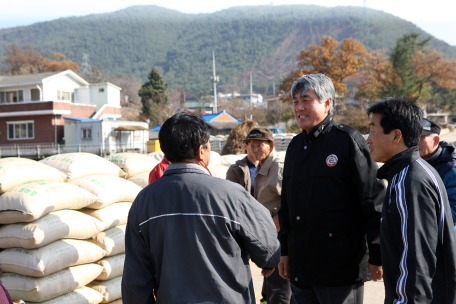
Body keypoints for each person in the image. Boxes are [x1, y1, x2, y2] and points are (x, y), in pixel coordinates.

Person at [122, 112, 281, 304]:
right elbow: (269, 249)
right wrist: (270, 261)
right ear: (201, 151)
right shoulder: (231, 194)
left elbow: (135, 281)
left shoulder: (143, 202)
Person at [278, 74, 385, 304]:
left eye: (306, 100)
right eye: (295, 101)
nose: (299, 107)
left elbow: (373, 202)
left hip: (339, 268)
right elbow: (286, 206)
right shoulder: (295, 146)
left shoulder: (347, 141)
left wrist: (377, 254)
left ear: (327, 103)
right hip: (301, 268)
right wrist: (284, 251)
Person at [366, 97, 456, 304]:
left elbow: (416, 260)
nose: (368, 139)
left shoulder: (410, 181)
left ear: (396, 135)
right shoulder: (411, 172)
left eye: (372, 130)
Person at [247, 127, 292, 304]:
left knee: (279, 286)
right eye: (251, 145)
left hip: (279, 234)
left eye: (259, 145)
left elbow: (292, 200)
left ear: (271, 146)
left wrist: (280, 218)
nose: (254, 149)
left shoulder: (278, 167)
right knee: (271, 283)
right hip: (268, 233)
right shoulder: (262, 166)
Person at [418, 118, 456, 230]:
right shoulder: (416, 163)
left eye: (421, 137)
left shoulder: (451, 169)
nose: (415, 142)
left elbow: (453, 213)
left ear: (436, 140)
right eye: (414, 137)